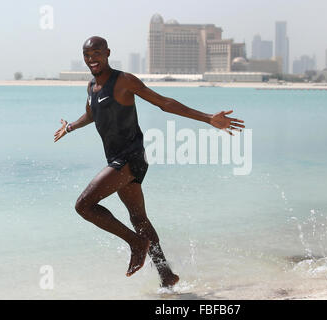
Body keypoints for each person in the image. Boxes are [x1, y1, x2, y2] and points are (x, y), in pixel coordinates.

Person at [54, 36, 245, 287]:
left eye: (97, 53)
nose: (92, 59)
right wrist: (70, 127)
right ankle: (167, 276)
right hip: (117, 159)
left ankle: (135, 243)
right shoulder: (91, 87)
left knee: (84, 206)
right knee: (138, 218)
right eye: (87, 55)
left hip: (129, 158)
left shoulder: (123, 81)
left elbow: (164, 103)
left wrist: (208, 117)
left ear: (108, 53)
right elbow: (91, 114)